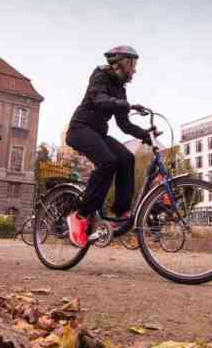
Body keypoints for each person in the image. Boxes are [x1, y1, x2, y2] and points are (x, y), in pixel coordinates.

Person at [64, 46, 151, 248]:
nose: (135, 70)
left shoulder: (121, 89)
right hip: (80, 128)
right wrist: (125, 105)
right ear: (121, 63)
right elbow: (98, 99)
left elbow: (124, 125)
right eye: (133, 65)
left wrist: (145, 134)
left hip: (99, 133)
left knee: (126, 157)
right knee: (108, 161)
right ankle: (80, 214)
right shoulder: (100, 75)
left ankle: (120, 212)